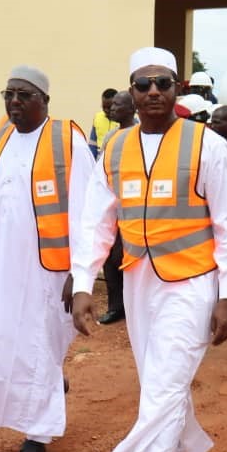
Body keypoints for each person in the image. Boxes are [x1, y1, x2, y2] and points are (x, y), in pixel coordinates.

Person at [70, 47, 227, 452]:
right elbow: (97, 222)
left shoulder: (207, 145)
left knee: (164, 386)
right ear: (131, 90)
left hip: (193, 281)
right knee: (159, 379)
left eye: (162, 83)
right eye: (143, 84)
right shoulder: (115, 148)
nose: (152, 92)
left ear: (177, 88)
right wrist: (83, 283)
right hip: (139, 280)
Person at [0, 65, 94, 452]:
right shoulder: (2, 137)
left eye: (24, 94)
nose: (15, 102)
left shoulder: (67, 139)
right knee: (5, 340)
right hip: (1, 264)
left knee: (40, 343)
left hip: (48, 269)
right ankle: (37, 398)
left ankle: (37, 434)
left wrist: (80, 272)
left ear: (44, 100)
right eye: (9, 94)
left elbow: (86, 211)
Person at [97, 90, 136, 326]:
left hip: (132, 206)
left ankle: (131, 307)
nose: (112, 108)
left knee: (125, 258)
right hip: (111, 202)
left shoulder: (139, 133)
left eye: (117, 105)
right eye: (111, 105)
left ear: (131, 108)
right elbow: (102, 167)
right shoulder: (111, 136)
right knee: (109, 258)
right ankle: (115, 307)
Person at [89, 88, 118, 158]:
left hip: (116, 157)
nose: (106, 110)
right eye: (104, 107)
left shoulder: (124, 119)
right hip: (100, 157)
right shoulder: (97, 117)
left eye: (109, 107)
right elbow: (93, 143)